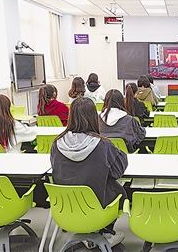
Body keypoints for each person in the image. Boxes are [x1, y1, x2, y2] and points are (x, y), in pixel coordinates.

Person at [50, 97, 127, 248]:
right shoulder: (103, 145)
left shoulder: (56, 144)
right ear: (94, 117)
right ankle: (105, 232)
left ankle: (91, 234)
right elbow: (118, 170)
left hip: (66, 208)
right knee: (115, 189)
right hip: (97, 208)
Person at [99, 89, 146, 153]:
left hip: (102, 156)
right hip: (125, 157)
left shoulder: (97, 119)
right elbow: (140, 135)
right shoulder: (130, 120)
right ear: (122, 101)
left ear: (106, 101)